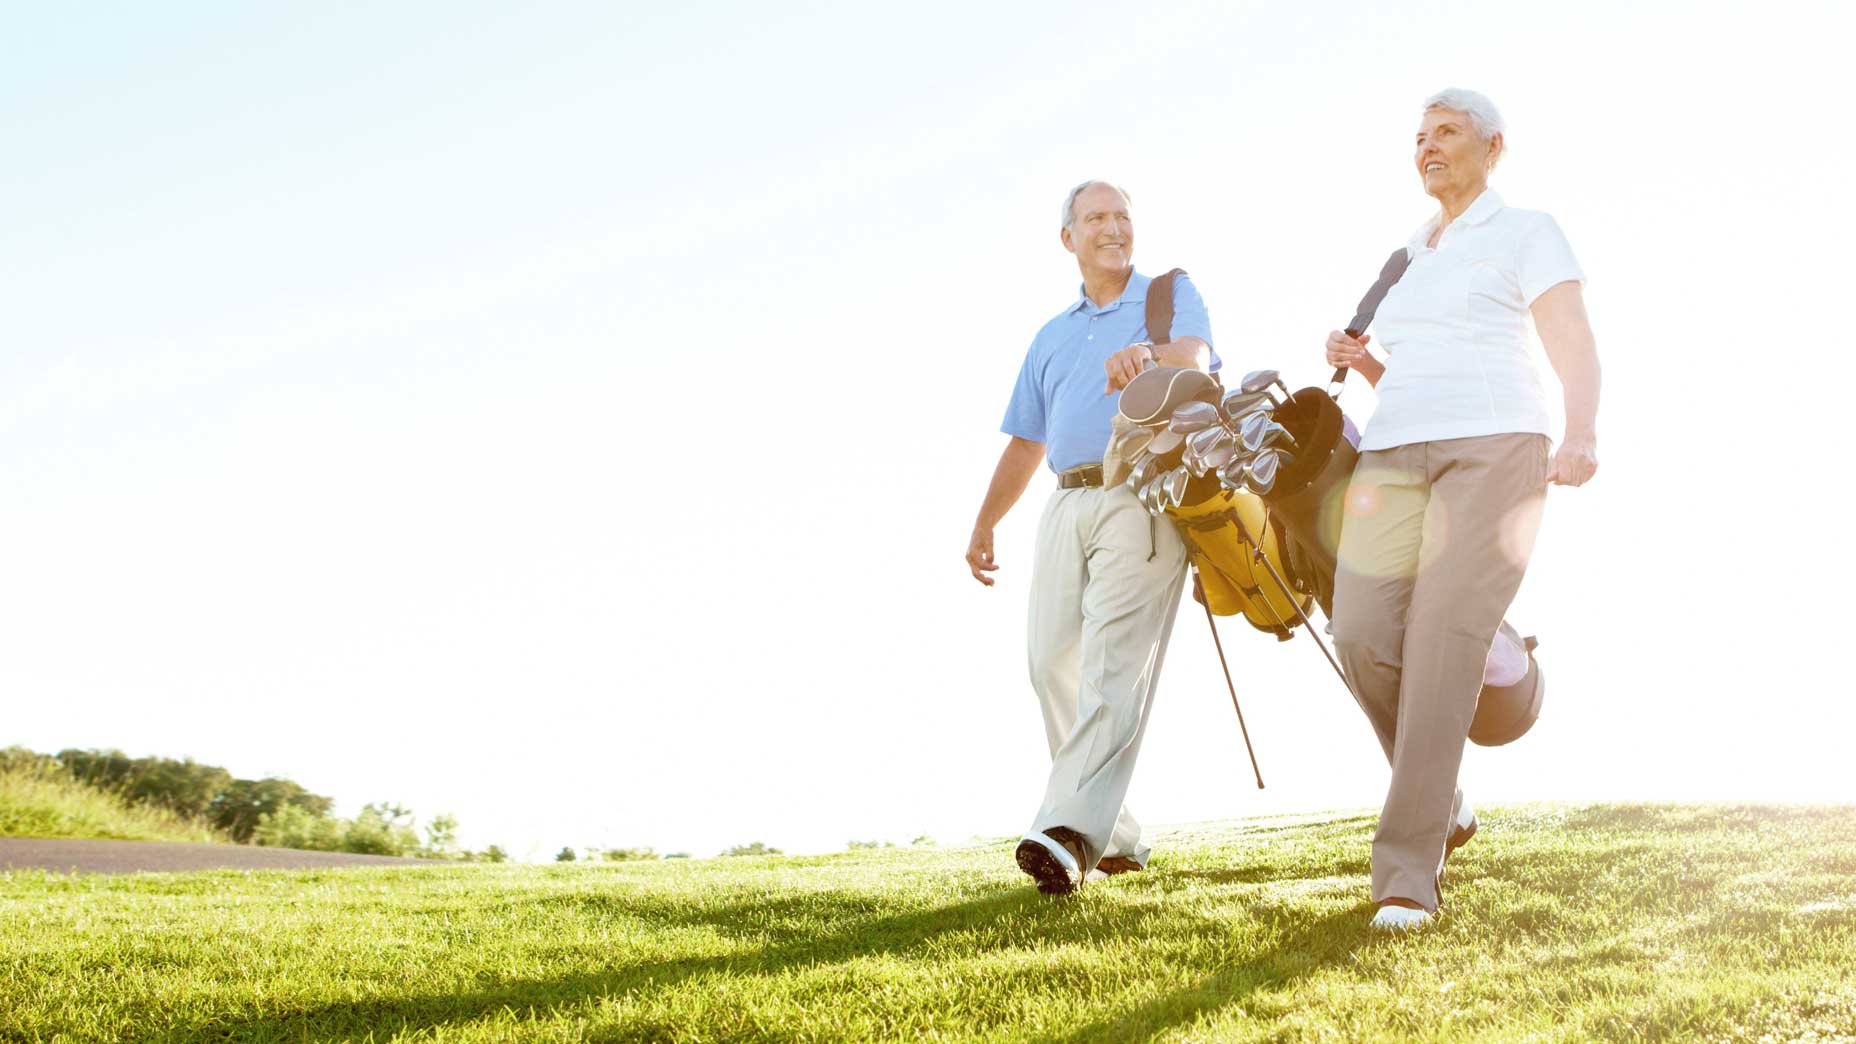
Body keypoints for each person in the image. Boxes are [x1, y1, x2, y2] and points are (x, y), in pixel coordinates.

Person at [1323, 88, 1601, 931]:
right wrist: (1364, 366)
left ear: (1493, 147)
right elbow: (1415, 367)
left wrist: (1581, 430)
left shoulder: (1525, 231)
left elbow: (1573, 341)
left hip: (1496, 445)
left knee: (1443, 636)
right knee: (1362, 633)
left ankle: (1407, 876)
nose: (1428, 146)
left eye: (1446, 133)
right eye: (1419, 136)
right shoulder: (1406, 255)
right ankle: (1444, 798)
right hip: (1395, 448)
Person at [966, 180, 1220, 894]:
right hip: (1064, 501)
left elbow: (1195, 363)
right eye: (1096, 217)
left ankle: (1068, 833)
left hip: (1141, 491)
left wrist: (1146, 355)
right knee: (1050, 663)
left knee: (1112, 662)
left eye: (1123, 217)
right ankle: (1120, 834)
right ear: (1068, 239)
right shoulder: (1050, 336)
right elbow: (1025, 442)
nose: (1113, 227)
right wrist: (986, 521)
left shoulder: (1169, 295)